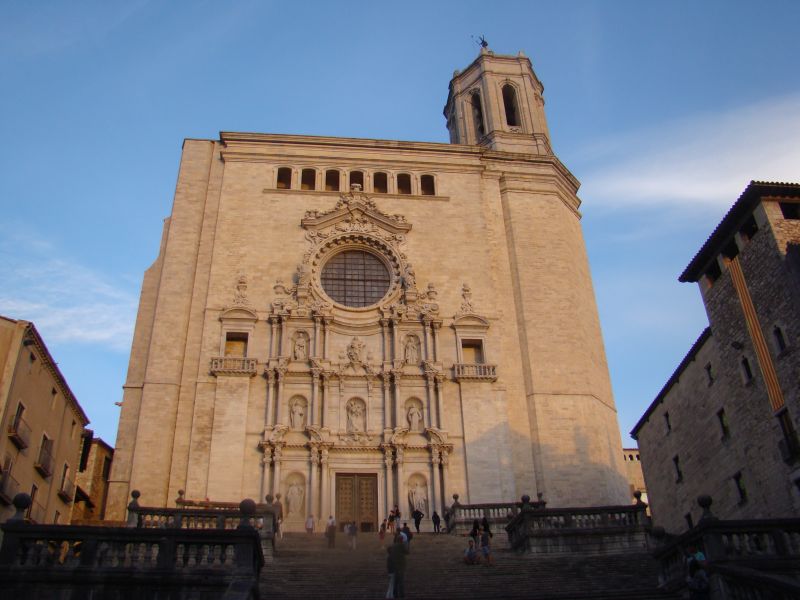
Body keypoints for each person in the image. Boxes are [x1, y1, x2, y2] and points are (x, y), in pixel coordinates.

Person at [387, 533, 409, 599]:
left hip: (395, 566)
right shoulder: (401, 545)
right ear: (401, 540)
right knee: (401, 582)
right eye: (402, 539)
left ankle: (395, 594)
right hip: (401, 566)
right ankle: (402, 594)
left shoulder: (393, 546)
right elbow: (407, 552)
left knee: (396, 582)